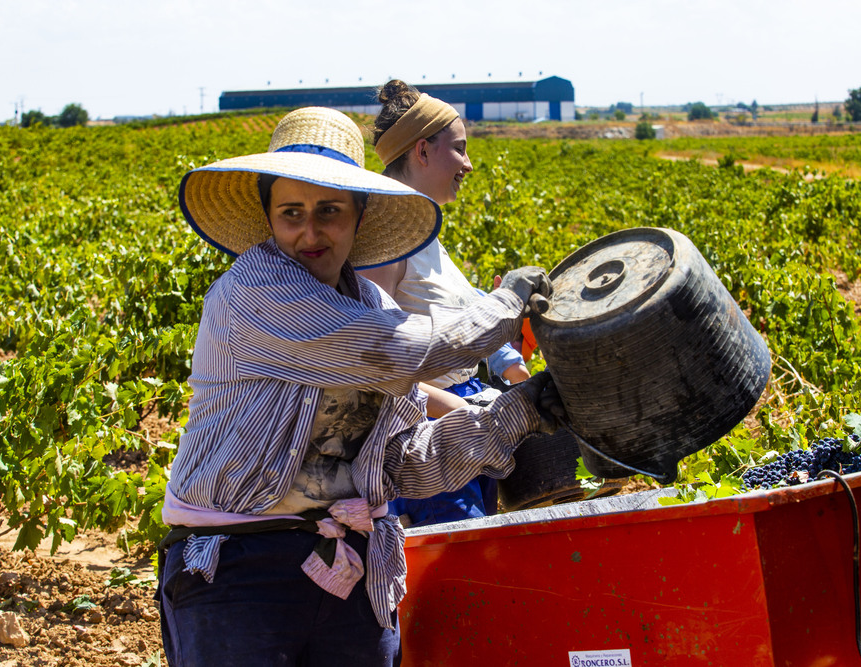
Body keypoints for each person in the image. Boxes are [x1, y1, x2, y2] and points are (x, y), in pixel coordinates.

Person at [156, 107, 560, 666]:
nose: (310, 230)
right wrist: (505, 304)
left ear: (359, 216)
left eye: (330, 211)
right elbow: (401, 355)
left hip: (346, 563)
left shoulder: (371, 305)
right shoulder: (251, 293)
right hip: (238, 564)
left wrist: (516, 415)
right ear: (269, 217)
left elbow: (399, 461)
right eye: (291, 212)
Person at [358, 80, 530, 527]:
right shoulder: (385, 240)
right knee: (459, 571)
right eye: (459, 149)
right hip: (430, 432)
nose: (468, 164)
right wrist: (466, 412)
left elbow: (449, 313)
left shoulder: (424, 233)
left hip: (463, 418)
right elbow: (378, 366)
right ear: (422, 151)